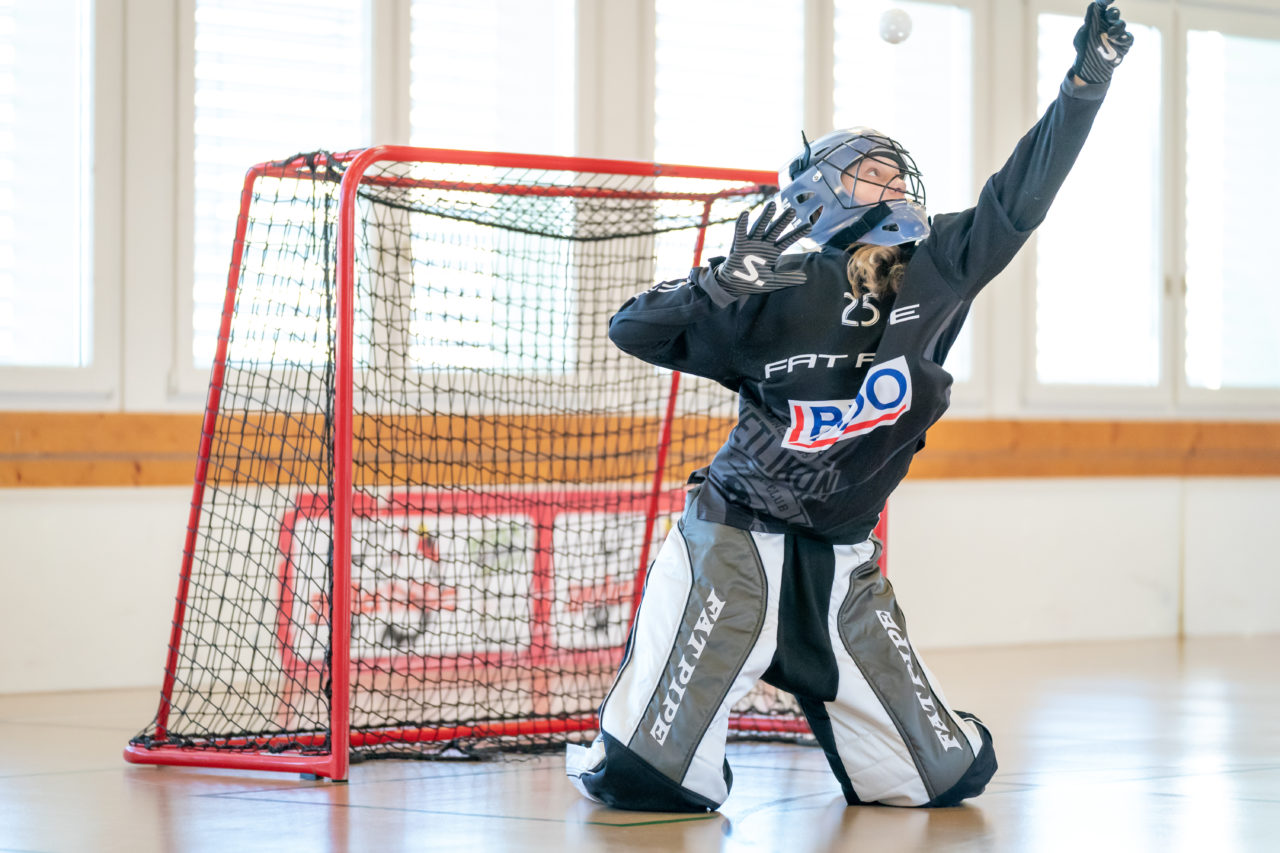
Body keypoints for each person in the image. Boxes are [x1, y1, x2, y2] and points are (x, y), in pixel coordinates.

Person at [566, 0, 1134, 812]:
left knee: (947, 778)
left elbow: (1022, 195)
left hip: (841, 560)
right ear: (817, 193)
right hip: (737, 538)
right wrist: (719, 287)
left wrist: (1086, 83)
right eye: (869, 170)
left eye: (898, 171)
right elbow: (632, 328)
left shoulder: (938, 263)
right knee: (645, 780)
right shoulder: (775, 286)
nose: (893, 180)